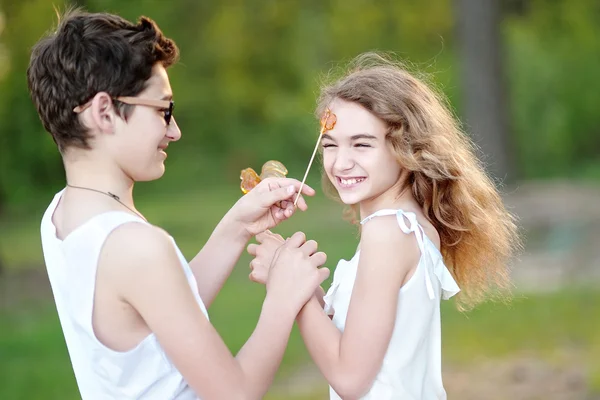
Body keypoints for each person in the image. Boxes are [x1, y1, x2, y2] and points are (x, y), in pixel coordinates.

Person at [27, 8, 329, 400]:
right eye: (163, 111)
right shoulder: (137, 246)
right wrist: (282, 300)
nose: (175, 130)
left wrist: (237, 226)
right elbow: (234, 393)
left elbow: (159, 314)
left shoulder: (61, 215)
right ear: (104, 112)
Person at [247, 53, 520, 399]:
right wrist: (295, 279)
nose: (341, 163)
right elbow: (361, 341)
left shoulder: (388, 233)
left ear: (405, 147)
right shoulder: (405, 225)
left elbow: (349, 378)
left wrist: (289, 292)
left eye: (362, 144)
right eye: (330, 145)